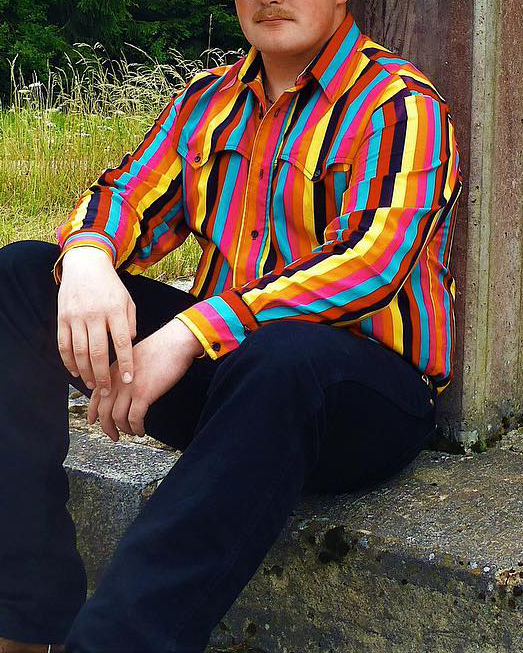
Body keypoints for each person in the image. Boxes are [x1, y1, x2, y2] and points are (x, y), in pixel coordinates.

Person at [0, 0, 463, 651]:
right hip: (230, 383)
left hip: (358, 399)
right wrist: (87, 254)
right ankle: (21, 623)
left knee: (281, 354)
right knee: (21, 276)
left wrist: (191, 329)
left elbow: (369, 263)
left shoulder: (400, 105)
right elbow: (129, 193)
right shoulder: (207, 101)